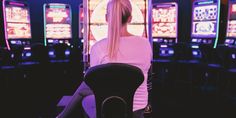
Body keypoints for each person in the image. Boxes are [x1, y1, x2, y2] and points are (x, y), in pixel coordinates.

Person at [57, 0, 152, 118]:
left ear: (107, 18)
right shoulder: (145, 44)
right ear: (130, 18)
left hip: (106, 109)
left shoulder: (98, 47)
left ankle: (61, 116)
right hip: (137, 111)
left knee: (84, 94)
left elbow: (92, 85)